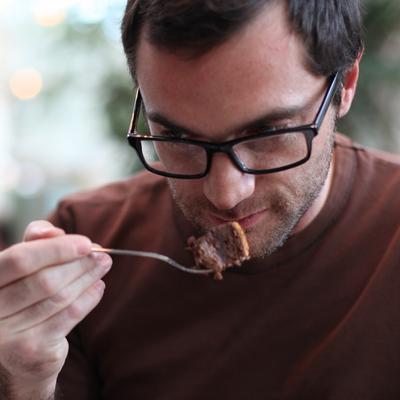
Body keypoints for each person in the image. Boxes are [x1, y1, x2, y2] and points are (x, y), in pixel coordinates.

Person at [0, 0, 399, 399]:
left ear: (346, 84)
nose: (225, 195)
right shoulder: (86, 247)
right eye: (177, 139)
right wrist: (23, 383)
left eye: (269, 134)